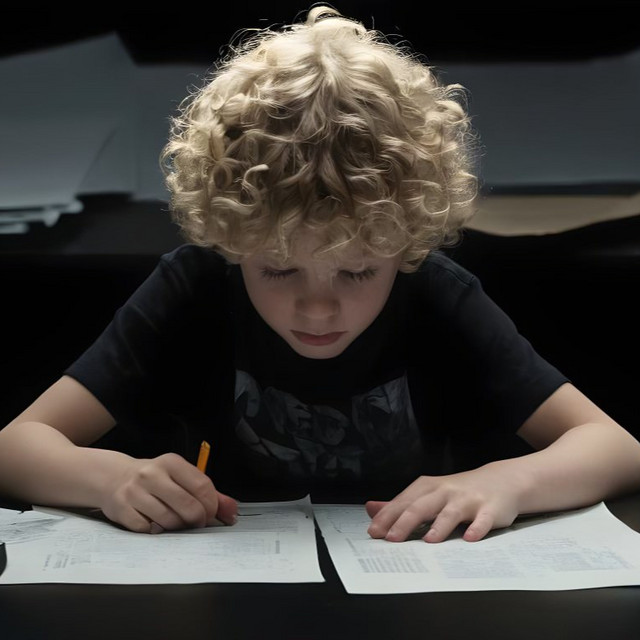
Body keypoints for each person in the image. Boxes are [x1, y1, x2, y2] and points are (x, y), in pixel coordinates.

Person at [1, 5, 639, 544]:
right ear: (232, 239)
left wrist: (508, 480)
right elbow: (15, 445)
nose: (317, 308)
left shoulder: (434, 291)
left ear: (405, 242)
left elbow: (615, 447)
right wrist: (108, 478)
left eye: (357, 273)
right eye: (279, 269)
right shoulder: (194, 283)